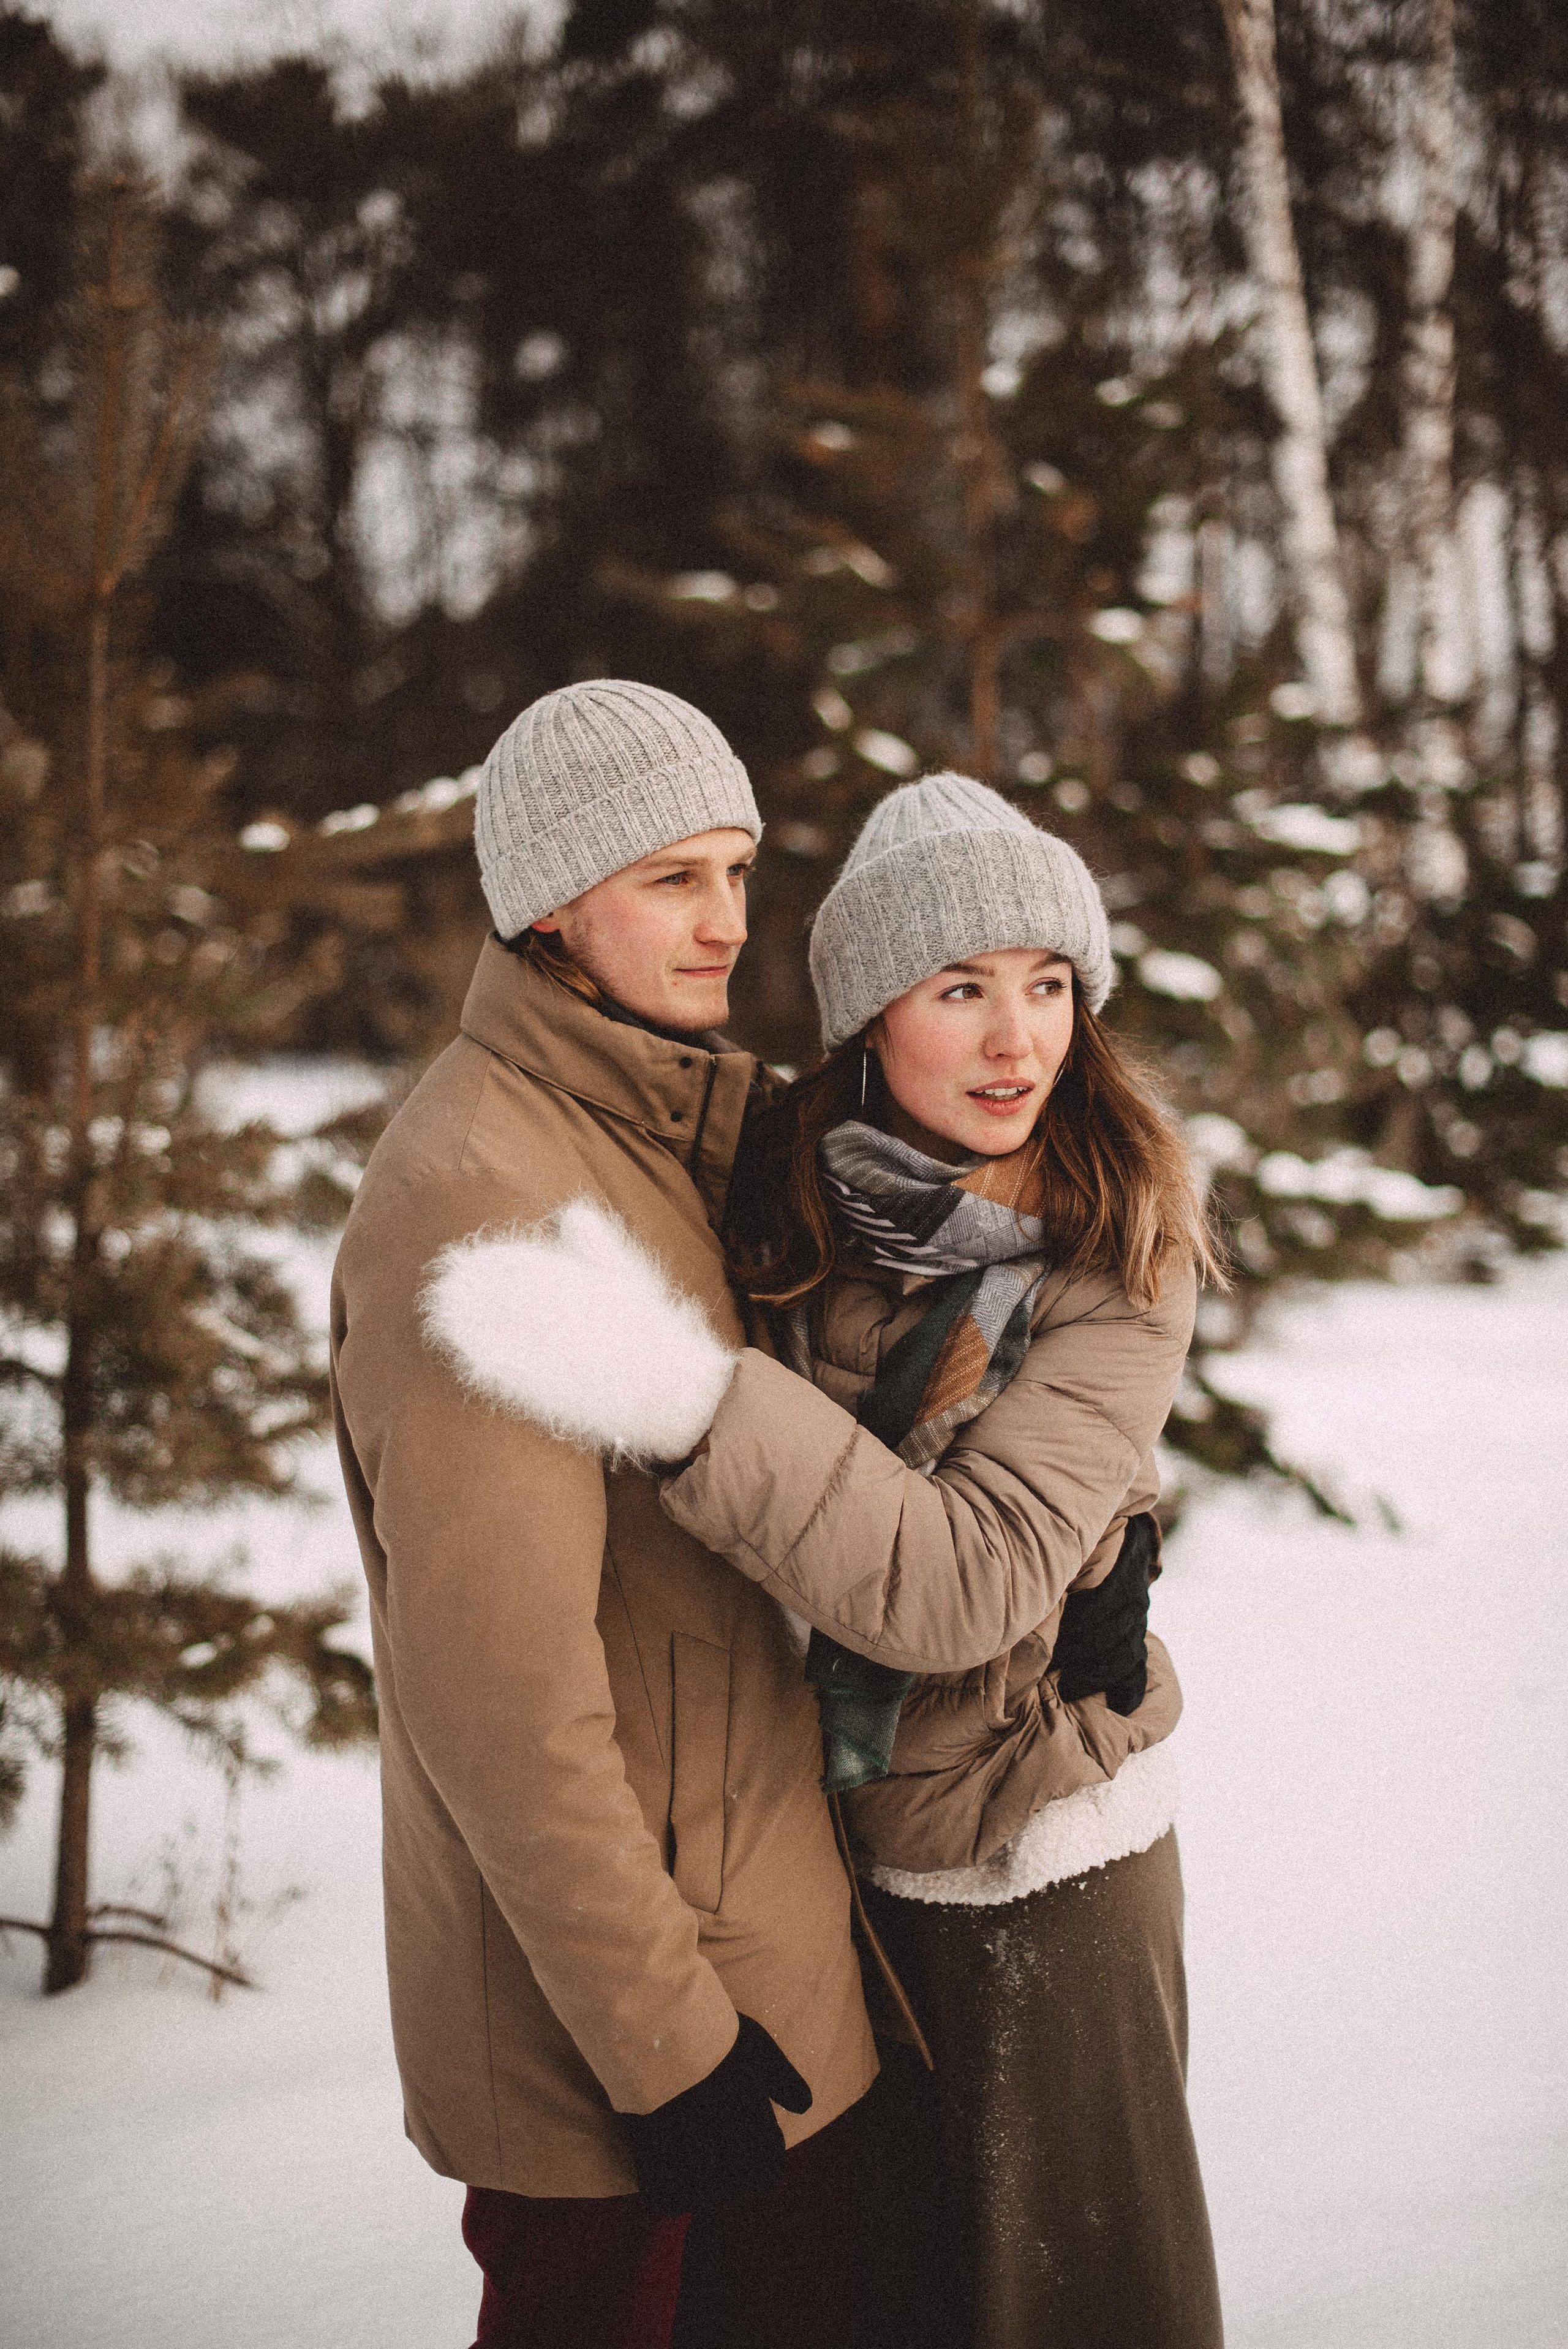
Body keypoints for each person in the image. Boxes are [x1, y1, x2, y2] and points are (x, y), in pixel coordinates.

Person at [330, 680, 881, 2349]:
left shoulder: (657, 1130)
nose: (727, 923)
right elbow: (501, 1702)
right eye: (672, 880)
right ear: (555, 905)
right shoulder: (483, 1189)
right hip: (631, 2052)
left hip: (751, 1953)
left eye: (737, 870)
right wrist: (672, 2052)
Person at [658, 773, 1227, 2348]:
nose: (1015, 1039)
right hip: (819, 1873)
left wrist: (690, 1407)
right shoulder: (776, 1213)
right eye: (959, 987)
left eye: (1048, 987)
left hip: (1039, 1859)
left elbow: (966, 1585)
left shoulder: (1124, 1241)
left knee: (1065, 2304)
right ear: (864, 1019)